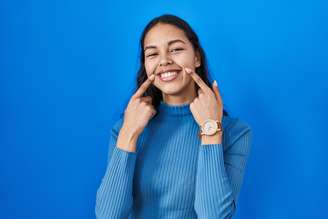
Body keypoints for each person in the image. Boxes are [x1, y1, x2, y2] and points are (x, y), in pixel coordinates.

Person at [95, 14, 252, 219]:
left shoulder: (235, 132)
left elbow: (214, 216)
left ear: (197, 57)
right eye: (152, 54)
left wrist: (211, 129)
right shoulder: (124, 129)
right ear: (145, 65)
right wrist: (129, 134)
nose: (164, 61)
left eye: (176, 49)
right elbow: (108, 216)